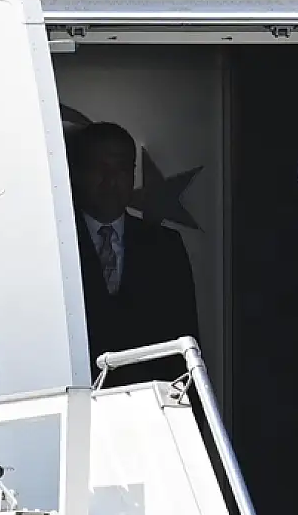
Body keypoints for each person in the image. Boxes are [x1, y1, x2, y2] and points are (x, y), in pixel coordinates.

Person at [67, 121, 201, 388]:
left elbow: (185, 342)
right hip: (75, 396)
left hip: (149, 399)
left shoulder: (166, 246)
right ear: (78, 173)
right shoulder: (58, 242)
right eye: (99, 168)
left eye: (121, 169)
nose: (110, 181)